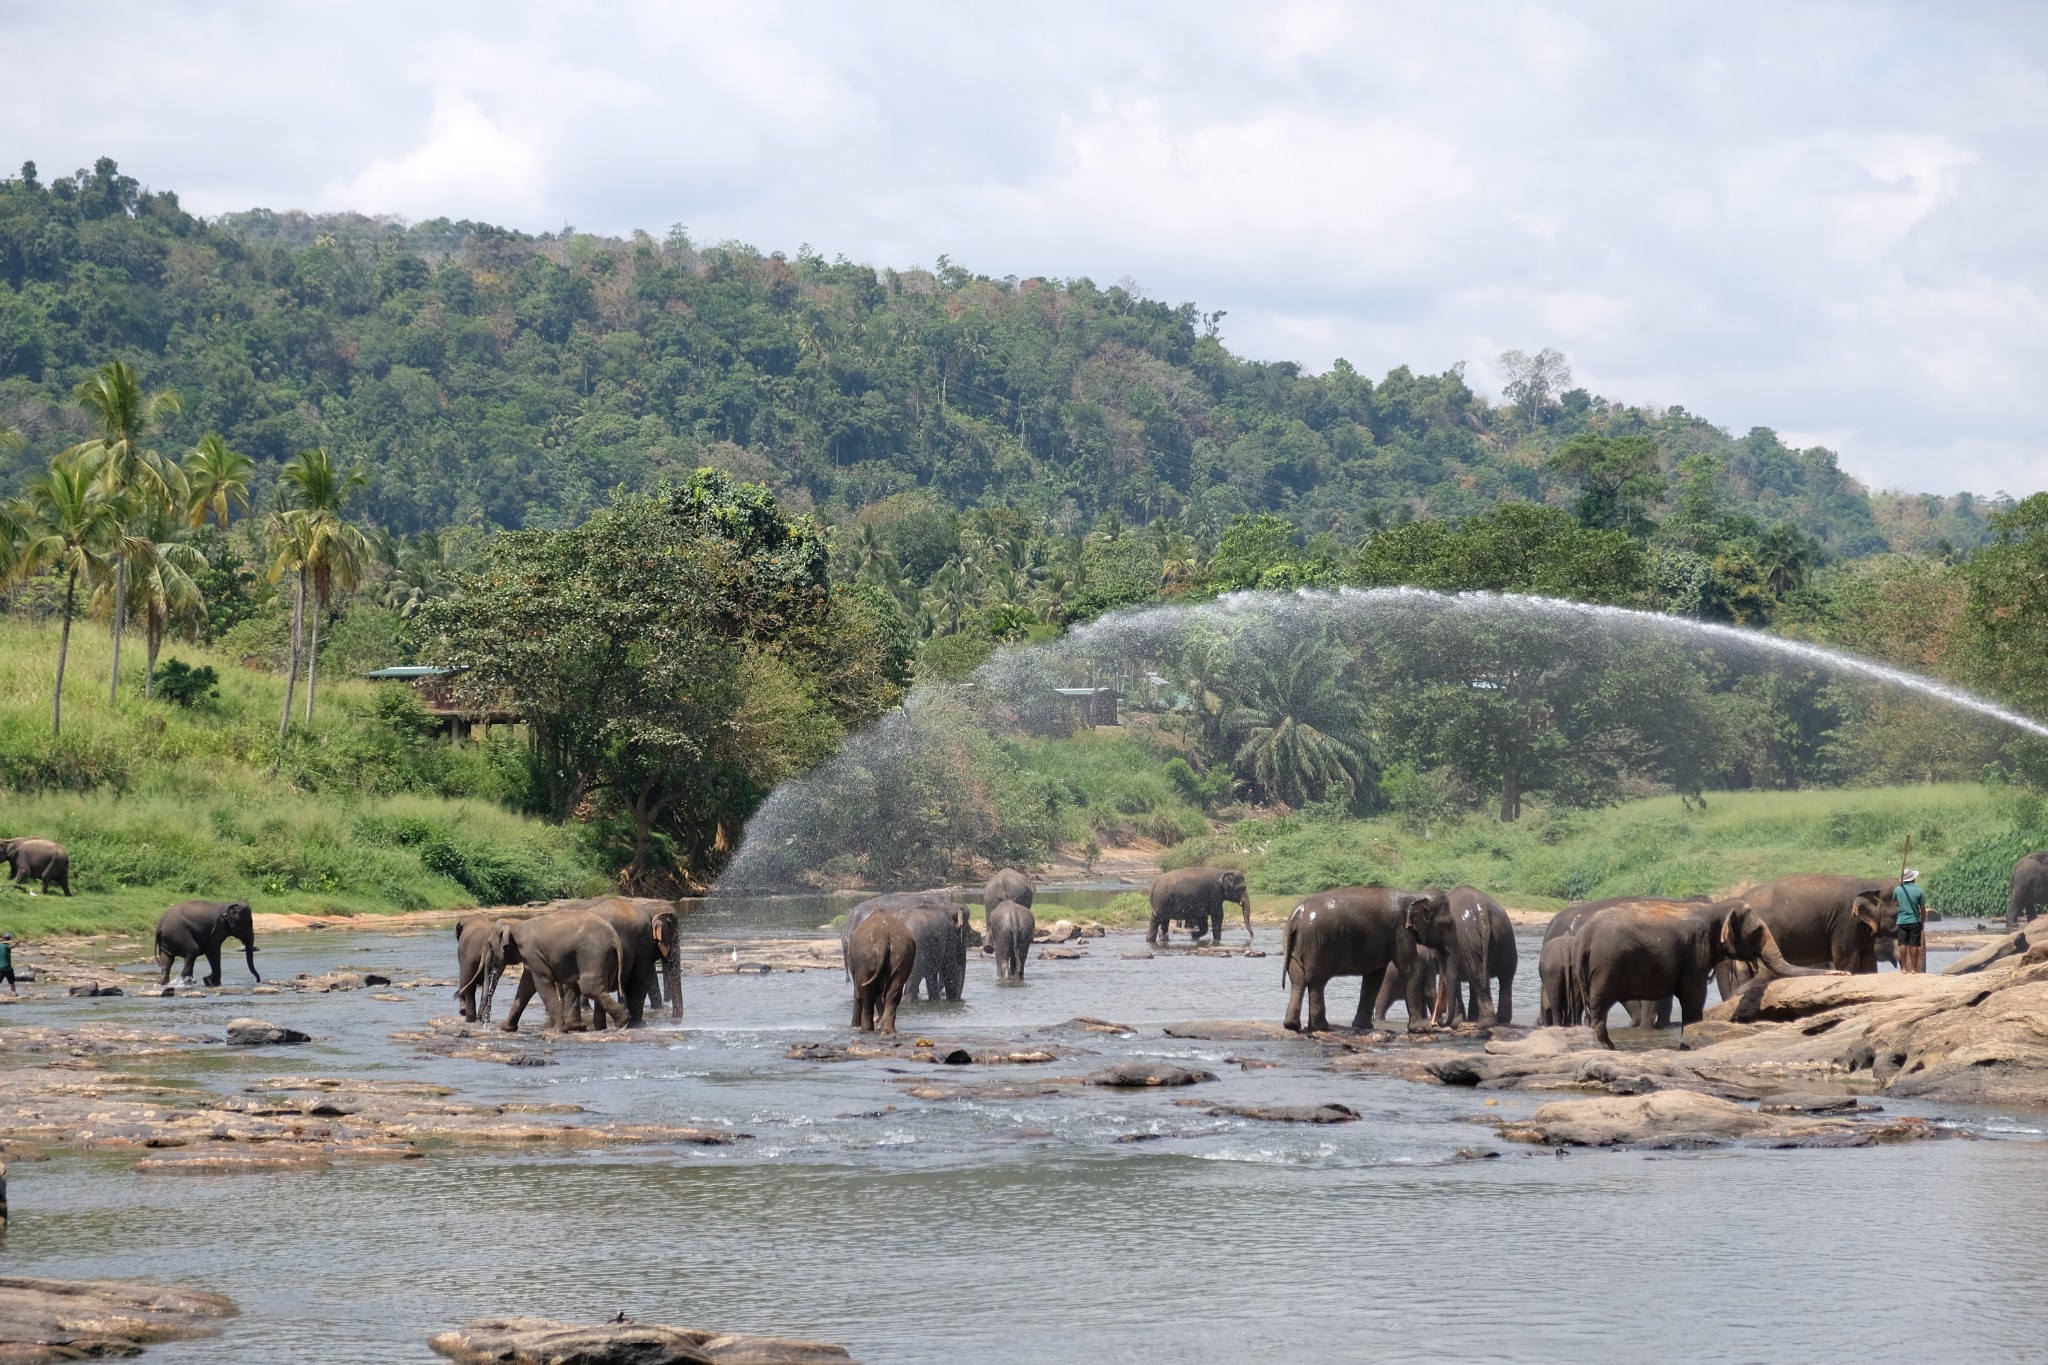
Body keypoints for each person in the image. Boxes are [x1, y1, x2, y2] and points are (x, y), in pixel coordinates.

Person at [1895, 869, 1927, 974]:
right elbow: (1922, 908)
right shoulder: (1919, 891)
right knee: (1914, 944)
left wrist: (1900, 890)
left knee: (1903, 944)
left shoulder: (1898, 890)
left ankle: (1903, 969)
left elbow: (1896, 904)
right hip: (1915, 920)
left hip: (1902, 921)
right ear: (1914, 879)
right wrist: (1923, 921)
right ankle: (1914, 969)